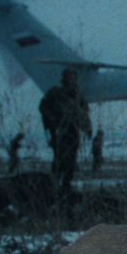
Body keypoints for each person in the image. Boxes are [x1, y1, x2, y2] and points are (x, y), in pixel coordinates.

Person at [38, 68, 89, 196]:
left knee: (72, 159)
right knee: (60, 158)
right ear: (64, 79)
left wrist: (87, 127)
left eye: (72, 77)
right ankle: (55, 183)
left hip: (73, 130)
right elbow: (43, 107)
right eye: (68, 77)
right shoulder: (54, 93)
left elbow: (84, 112)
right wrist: (52, 119)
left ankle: (66, 184)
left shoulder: (78, 95)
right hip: (59, 130)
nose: (70, 80)